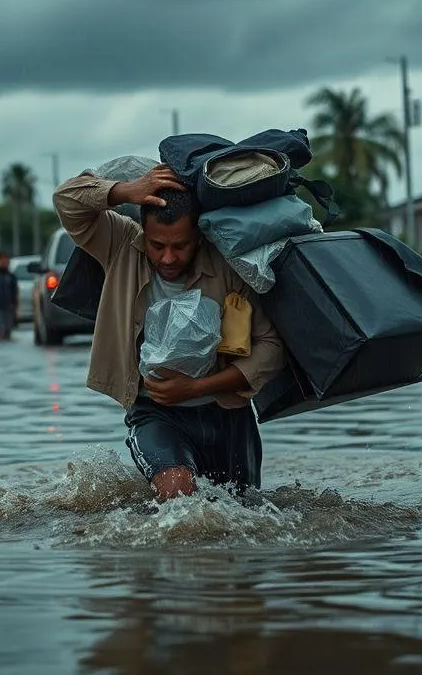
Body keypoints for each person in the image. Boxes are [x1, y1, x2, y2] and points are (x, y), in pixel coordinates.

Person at [53, 162, 285, 501]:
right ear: (143, 232)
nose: (168, 258)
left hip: (228, 416)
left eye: (180, 245)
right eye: (157, 245)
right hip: (154, 412)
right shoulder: (121, 243)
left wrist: (197, 387)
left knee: (243, 512)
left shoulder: (228, 263)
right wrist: (127, 191)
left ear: (199, 237)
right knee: (176, 494)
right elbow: (66, 200)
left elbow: (271, 347)